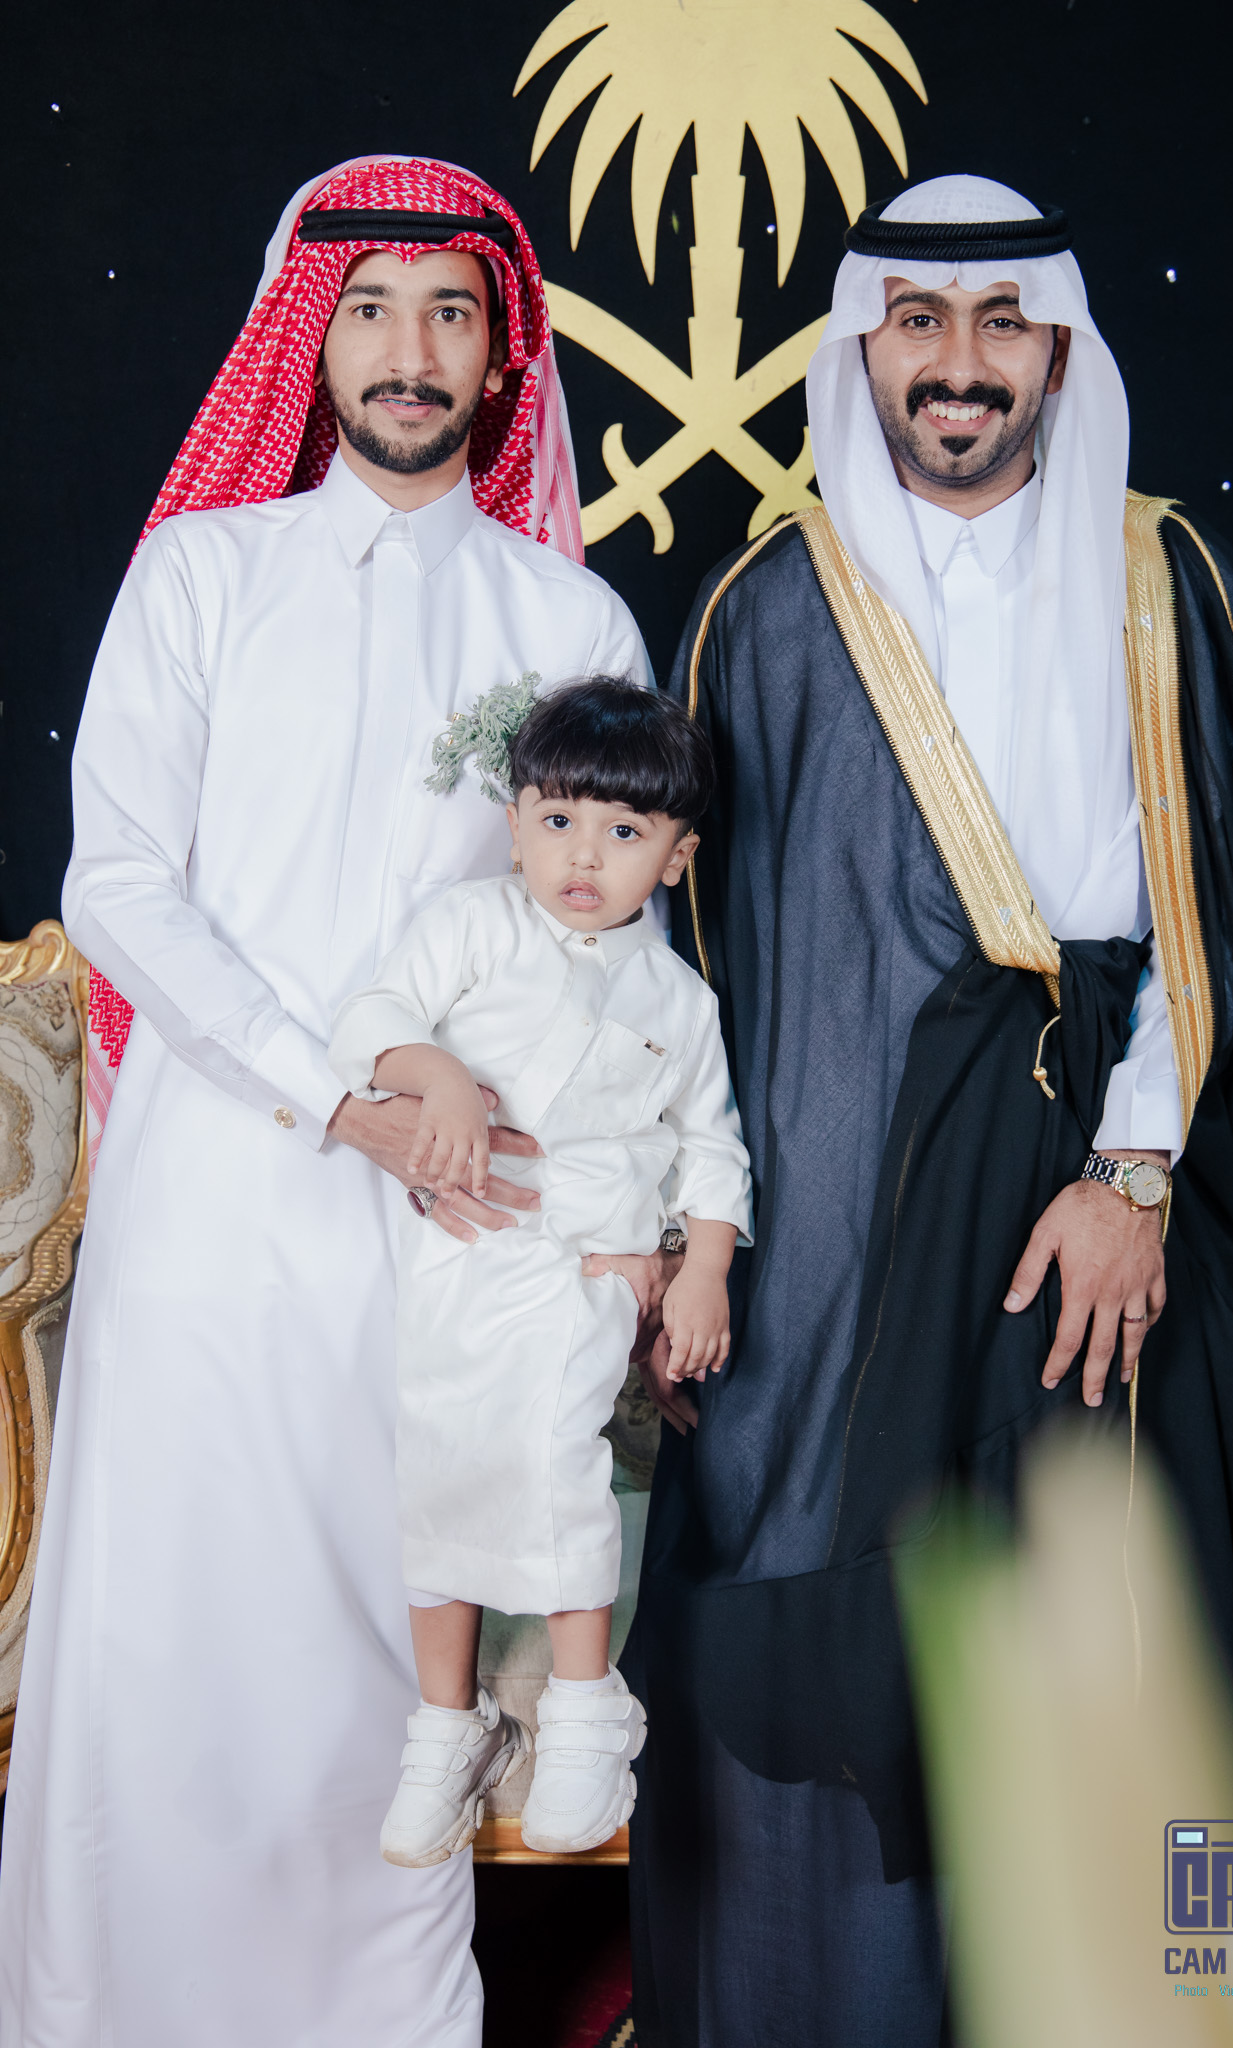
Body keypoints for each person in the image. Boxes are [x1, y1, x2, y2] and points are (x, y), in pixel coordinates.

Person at [623, 175, 1233, 2047]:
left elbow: (1226, 911)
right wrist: (690, 1240)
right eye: (921, 323)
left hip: (1126, 1200)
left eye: (1002, 323)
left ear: (1059, 353)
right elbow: (693, 971)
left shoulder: (1164, 580)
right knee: (842, 1630)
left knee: (1196, 1616)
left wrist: (1134, 1168)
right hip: (844, 1228)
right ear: (864, 347)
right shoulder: (765, 609)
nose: (959, 365)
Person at [0, 157, 650, 2047]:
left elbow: (596, 933)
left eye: (449, 311)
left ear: (501, 352)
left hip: (456, 1218)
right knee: (173, 1634)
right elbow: (121, 884)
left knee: (389, 1660)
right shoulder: (206, 575)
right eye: (368, 308)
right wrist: (335, 1089)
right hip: (215, 1198)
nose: (408, 349)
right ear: (311, 337)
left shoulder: (572, 620)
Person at [327, 678, 751, 1862]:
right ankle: (447, 1724)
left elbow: (713, 1146)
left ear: (677, 856)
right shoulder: (470, 925)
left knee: (560, 1458)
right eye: (559, 820)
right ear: (514, 824)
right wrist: (438, 1077)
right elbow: (369, 1017)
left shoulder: (681, 999)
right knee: (438, 1468)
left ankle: (584, 1711)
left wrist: (702, 1268)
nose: (585, 854)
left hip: (589, 1267)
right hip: (463, 1254)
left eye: (625, 831)